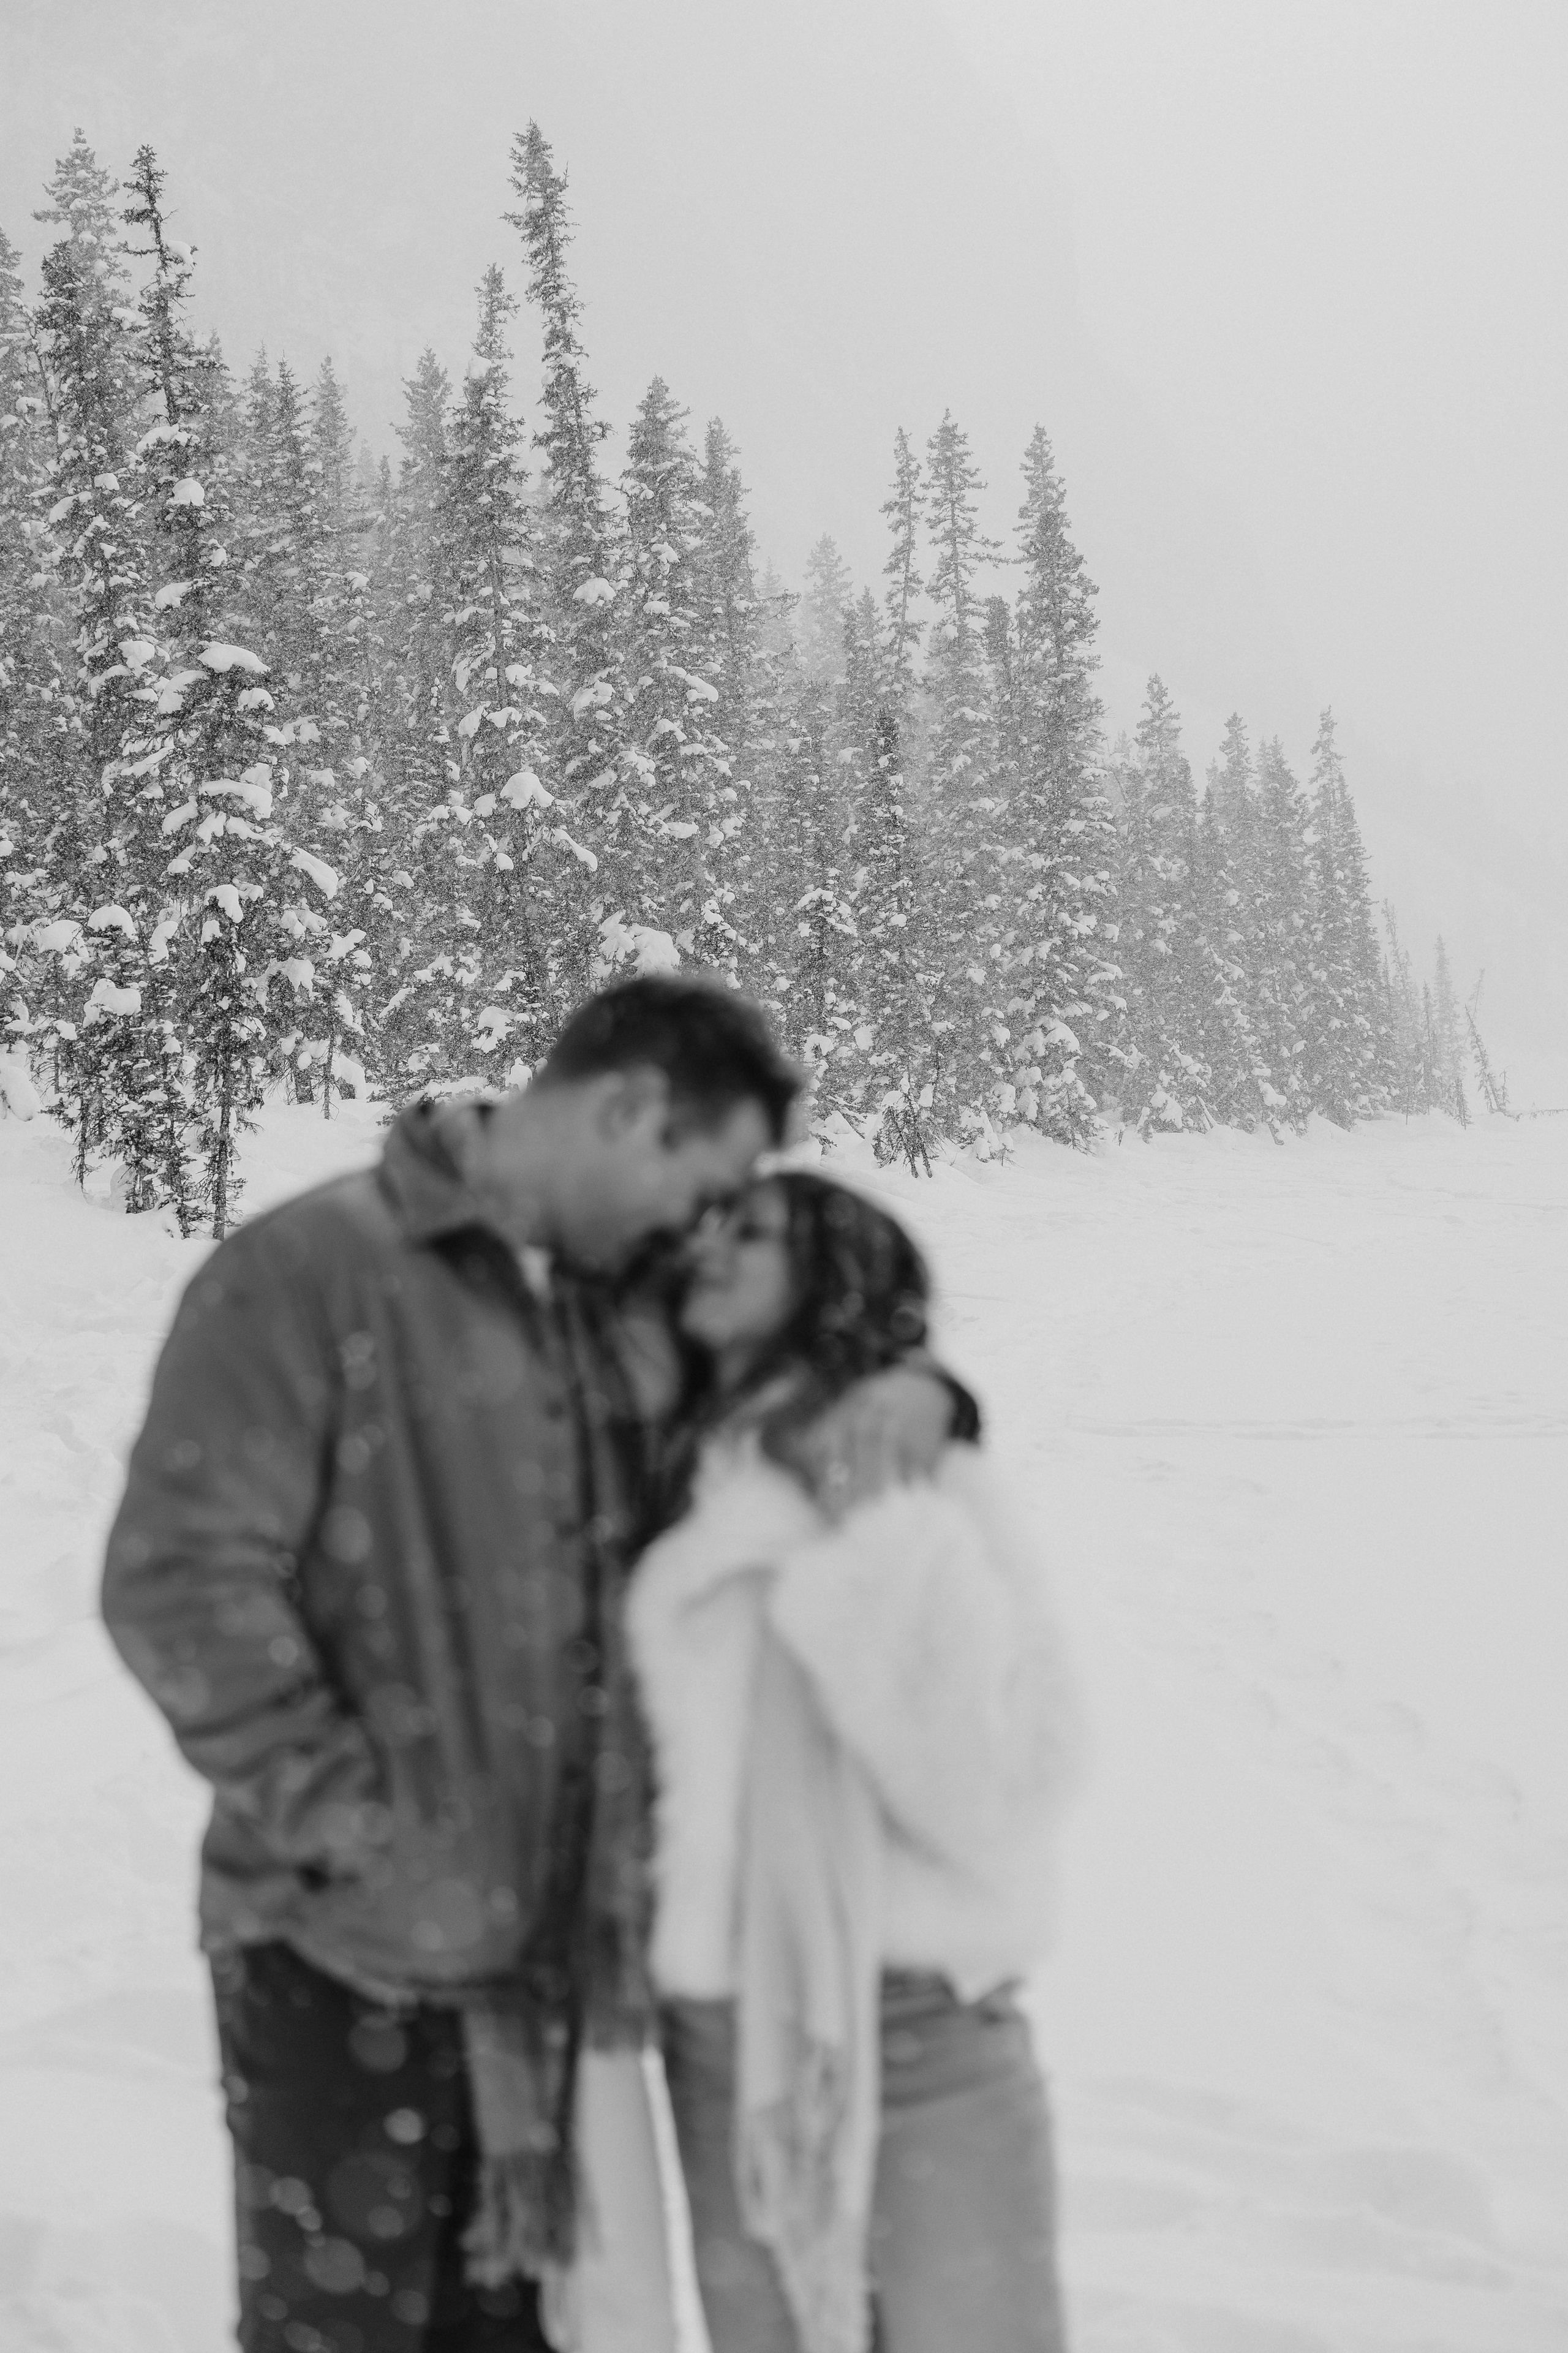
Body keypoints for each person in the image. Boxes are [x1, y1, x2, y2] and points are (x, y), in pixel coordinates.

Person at [101, 977, 967, 2353]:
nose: (708, 1222)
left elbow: (815, 1340)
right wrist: (361, 1829)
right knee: (346, 2331)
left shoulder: (627, 1307)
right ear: (628, 1111)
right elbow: (176, 1579)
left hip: (553, 1972)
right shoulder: (315, 1268)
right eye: (710, 1177)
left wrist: (921, 1383)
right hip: (340, 1956)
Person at [626, 1171, 1079, 2353]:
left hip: (923, 2026)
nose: (713, 1248)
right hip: (723, 2039)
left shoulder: (923, 1476)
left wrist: (869, 1530)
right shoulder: (668, 1475)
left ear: (830, 1286)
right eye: (710, 1225)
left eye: (757, 1235)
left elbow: (1013, 1779)